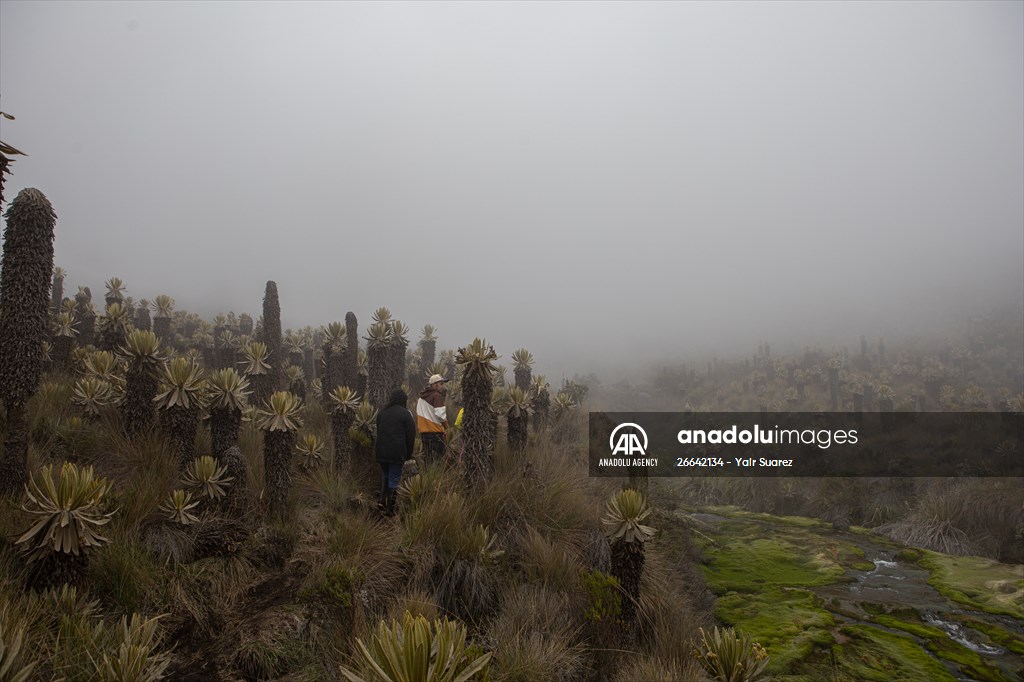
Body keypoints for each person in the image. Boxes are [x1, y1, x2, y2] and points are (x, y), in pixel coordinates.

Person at [375, 389, 415, 516]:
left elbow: (379, 431)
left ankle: (382, 502)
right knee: (394, 479)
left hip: (381, 451)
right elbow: (411, 436)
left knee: (385, 476)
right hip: (397, 452)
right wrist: (408, 454)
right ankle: (390, 509)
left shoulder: (382, 412)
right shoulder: (406, 414)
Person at [416, 374, 449, 463]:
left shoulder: (421, 398)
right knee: (439, 461)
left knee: (428, 461)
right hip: (436, 435)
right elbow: (441, 415)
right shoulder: (436, 396)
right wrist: (446, 426)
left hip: (424, 435)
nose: (443, 386)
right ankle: (439, 477)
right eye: (441, 384)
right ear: (434, 384)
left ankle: (428, 476)